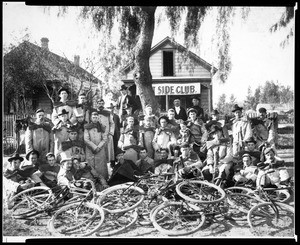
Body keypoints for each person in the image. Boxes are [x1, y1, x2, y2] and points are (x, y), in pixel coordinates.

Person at [84, 111, 108, 180]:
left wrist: (98, 147)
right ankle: (91, 181)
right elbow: (86, 139)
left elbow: (104, 139)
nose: (95, 119)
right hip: (90, 150)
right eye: (93, 117)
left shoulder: (102, 127)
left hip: (100, 150)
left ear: (98, 118)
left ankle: (103, 181)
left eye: (96, 117)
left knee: (101, 167)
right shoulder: (87, 127)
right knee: (90, 166)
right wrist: (94, 147)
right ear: (91, 118)